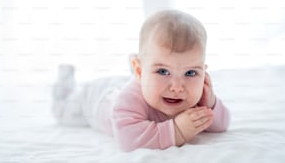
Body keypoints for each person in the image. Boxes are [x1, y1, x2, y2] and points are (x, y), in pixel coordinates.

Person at [52, 10, 230, 151]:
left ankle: (148, 68)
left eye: (191, 73)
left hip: (131, 81)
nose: (177, 87)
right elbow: (128, 139)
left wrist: (211, 104)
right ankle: (65, 86)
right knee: (64, 114)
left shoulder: (196, 93)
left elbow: (221, 125)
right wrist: (177, 131)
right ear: (140, 71)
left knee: (151, 79)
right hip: (94, 100)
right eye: (163, 71)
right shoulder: (128, 100)